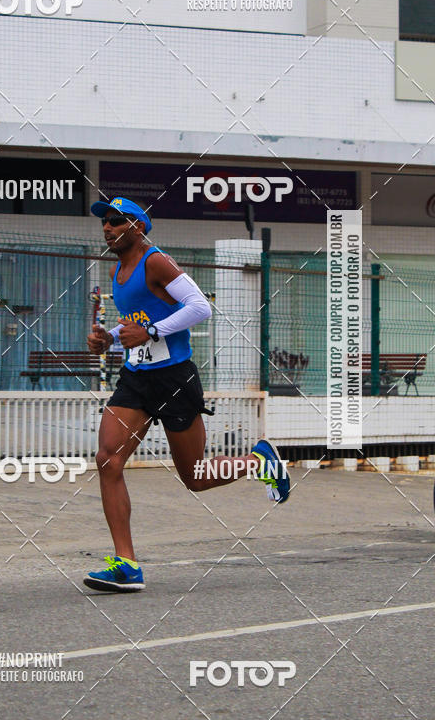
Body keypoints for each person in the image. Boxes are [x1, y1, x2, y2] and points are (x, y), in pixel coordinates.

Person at [84, 196, 290, 593]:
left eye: (116, 221)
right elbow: (137, 321)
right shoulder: (118, 271)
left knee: (195, 477)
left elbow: (200, 307)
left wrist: (151, 332)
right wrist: (109, 338)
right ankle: (126, 565)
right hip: (136, 378)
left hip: (174, 379)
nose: (107, 227)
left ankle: (258, 461)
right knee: (108, 460)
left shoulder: (156, 261)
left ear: (137, 227)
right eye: (105, 221)